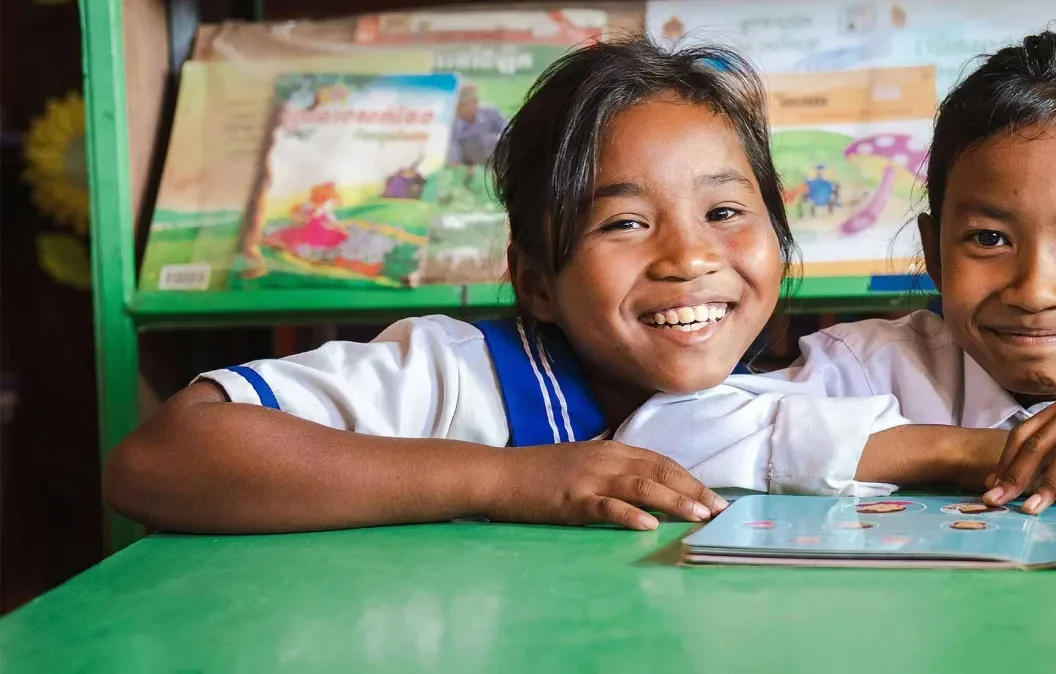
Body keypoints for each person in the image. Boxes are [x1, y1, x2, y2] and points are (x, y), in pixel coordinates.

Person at [107, 37, 986, 535]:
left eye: (725, 213)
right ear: (531, 278)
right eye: (623, 223)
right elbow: (159, 460)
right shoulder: (450, 373)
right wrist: (502, 480)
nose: (688, 258)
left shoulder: (773, 389)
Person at [620, 31, 1056, 513]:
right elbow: (663, 437)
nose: (1035, 290)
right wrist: (963, 452)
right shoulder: (877, 366)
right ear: (936, 253)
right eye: (989, 239)